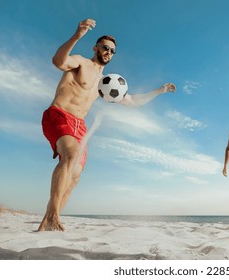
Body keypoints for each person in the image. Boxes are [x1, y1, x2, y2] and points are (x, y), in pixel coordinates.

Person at [38, 19, 176, 231]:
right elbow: (58, 61)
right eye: (105, 48)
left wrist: (159, 90)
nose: (108, 52)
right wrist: (77, 35)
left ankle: (48, 222)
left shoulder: (106, 84)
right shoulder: (81, 62)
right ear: (96, 48)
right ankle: (53, 216)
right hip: (59, 115)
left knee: (75, 175)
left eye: (112, 51)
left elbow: (132, 101)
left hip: (79, 126)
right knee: (71, 156)